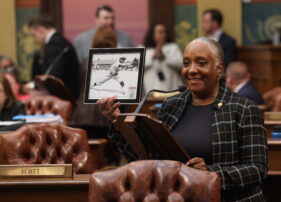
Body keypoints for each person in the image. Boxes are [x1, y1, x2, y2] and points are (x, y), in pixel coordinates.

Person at [97, 37, 268, 201]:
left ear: (219, 69)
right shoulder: (171, 105)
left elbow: (257, 169)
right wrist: (116, 120)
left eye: (201, 63)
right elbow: (144, 160)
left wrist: (210, 174)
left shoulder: (245, 109)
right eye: (186, 63)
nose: (191, 70)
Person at [28, 15, 80, 98]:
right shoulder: (59, 40)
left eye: (34, 35)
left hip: (65, 96)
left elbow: (53, 76)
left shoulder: (54, 43)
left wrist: (32, 85)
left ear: (41, 29)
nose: (35, 40)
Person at [143, 23, 183, 93]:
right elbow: (138, 66)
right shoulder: (144, 49)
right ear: (152, 34)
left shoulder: (173, 47)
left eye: (165, 32)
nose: (163, 35)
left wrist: (165, 57)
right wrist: (152, 57)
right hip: (151, 90)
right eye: (160, 32)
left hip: (172, 89)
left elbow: (181, 64)